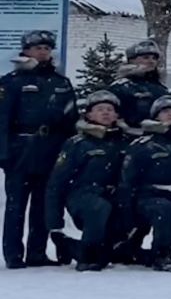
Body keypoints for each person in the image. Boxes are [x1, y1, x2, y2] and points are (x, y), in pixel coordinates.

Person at [2, 29, 76, 268]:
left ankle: (37, 252)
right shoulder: (11, 82)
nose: (43, 52)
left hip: (51, 148)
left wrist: (68, 153)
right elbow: (1, 120)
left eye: (46, 48)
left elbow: (71, 120)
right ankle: (13, 255)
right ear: (25, 50)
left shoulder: (60, 83)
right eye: (37, 48)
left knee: (43, 204)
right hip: (21, 148)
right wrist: (4, 152)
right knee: (16, 205)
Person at [45, 91, 128, 272]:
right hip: (83, 196)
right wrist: (55, 227)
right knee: (99, 207)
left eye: (109, 109)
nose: (105, 113)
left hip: (114, 196)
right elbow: (56, 184)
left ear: (116, 115)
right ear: (89, 115)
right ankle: (87, 254)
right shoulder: (77, 143)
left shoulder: (125, 143)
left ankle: (110, 247)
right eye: (99, 109)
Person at [119, 93, 171, 271]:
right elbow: (127, 179)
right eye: (165, 111)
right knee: (165, 210)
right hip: (150, 196)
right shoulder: (143, 145)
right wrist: (127, 210)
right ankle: (160, 255)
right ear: (155, 116)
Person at [109, 40, 170, 134]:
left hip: (159, 137)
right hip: (129, 137)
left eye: (154, 58)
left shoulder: (161, 89)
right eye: (146, 58)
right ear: (132, 60)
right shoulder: (120, 87)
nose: (151, 61)